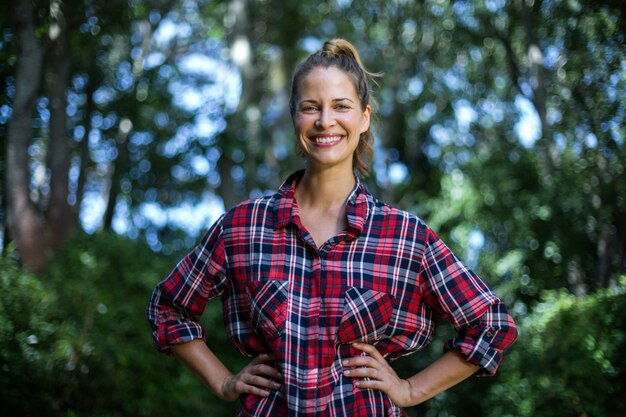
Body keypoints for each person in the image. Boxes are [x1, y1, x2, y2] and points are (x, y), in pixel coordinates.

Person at [146, 38, 517, 417]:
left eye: (341, 106)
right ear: (294, 117)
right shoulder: (242, 227)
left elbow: (490, 325)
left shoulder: (405, 236)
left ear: (365, 117)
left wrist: (409, 389)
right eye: (310, 108)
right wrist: (224, 382)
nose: (325, 121)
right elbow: (169, 309)